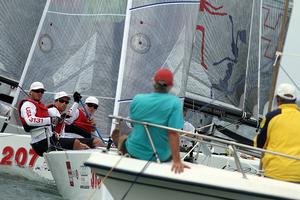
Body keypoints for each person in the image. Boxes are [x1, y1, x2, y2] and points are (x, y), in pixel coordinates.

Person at [113, 68, 189, 173]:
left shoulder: (137, 99)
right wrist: (177, 161)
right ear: (171, 86)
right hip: (161, 156)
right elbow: (173, 133)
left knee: (125, 137)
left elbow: (133, 123)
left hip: (134, 151)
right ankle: (121, 142)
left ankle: (120, 143)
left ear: (153, 82)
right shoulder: (175, 103)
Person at [18, 82, 90, 156]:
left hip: (50, 139)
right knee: (76, 143)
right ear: (30, 92)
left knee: (83, 143)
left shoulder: (44, 108)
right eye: (37, 91)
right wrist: (51, 120)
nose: (40, 93)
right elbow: (30, 121)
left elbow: (68, 117)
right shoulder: (29, 105)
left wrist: (76, 102)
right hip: (42, 142)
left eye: (42, 91)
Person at [254, 83, 300, 183]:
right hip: (298, 175)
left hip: (275, 173)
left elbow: (259, 145)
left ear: (277, 99)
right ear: (295, 100)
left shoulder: (271, 116)